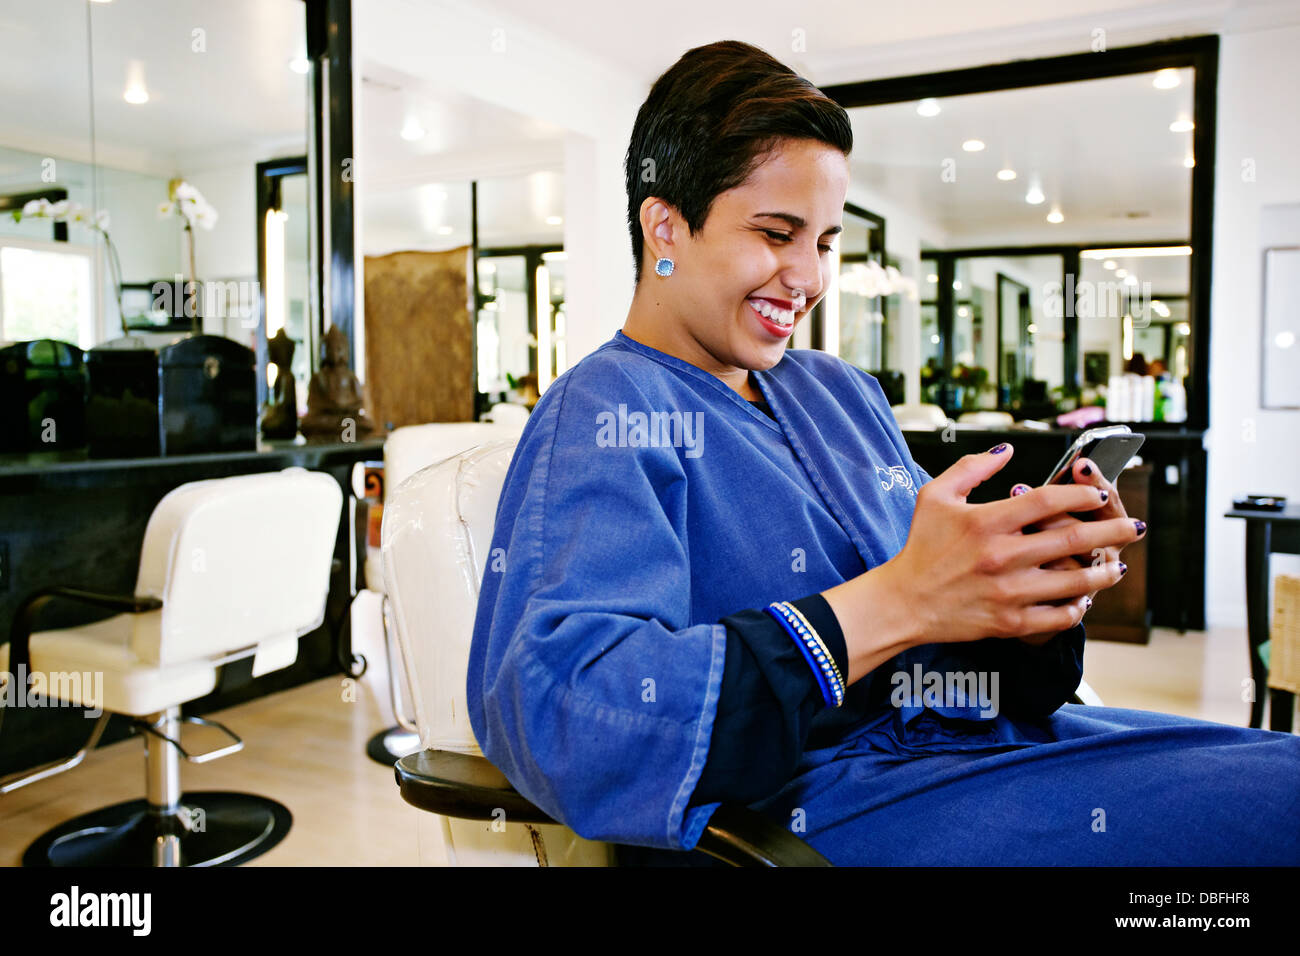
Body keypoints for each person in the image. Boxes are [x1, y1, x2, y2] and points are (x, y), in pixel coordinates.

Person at [466, 40, 1300, 866]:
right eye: (776, 232)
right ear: (665, 226)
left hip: (982, 743)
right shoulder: (607, 411)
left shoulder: (841, 394)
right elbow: (565, 714)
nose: (808, 276)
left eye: (825, 242)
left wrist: (1026, 596)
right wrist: (891, 605)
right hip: (824, 807)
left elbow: (945, 633)